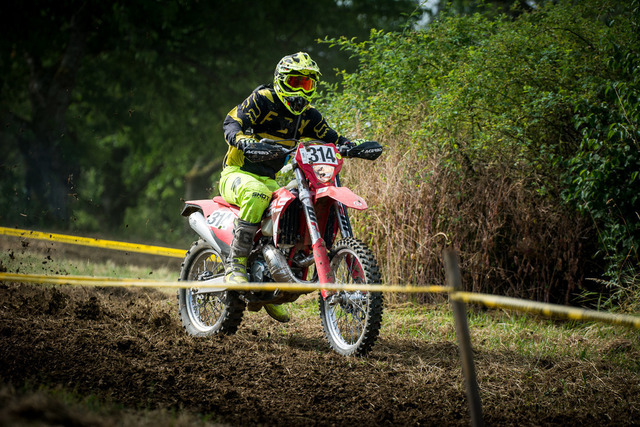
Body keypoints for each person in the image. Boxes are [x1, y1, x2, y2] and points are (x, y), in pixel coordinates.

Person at [219, 52, 353, 323]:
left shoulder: (308, 116)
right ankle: (236, 266)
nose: (301, 91)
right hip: (238, 173)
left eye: (307, 84)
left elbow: (333, 137)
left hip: (269, 179)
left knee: (296, 202)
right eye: (295, 82)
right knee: (257, 194)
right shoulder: (263, 99)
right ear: (281, 81)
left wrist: (355, 145)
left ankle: (273, 283)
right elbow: (231, 121)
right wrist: (243, 140)